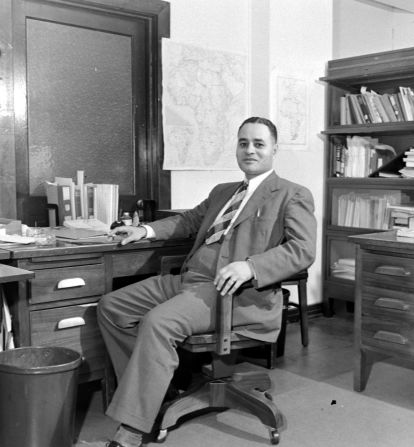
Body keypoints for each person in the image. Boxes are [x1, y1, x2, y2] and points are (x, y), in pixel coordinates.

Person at [97, 116, 317, 447]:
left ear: (275, 149)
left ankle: (131, 431)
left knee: (158, 323)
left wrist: (251, 267)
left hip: (231, 293)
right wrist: (146, 230)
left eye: (259, 144)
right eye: (243, 143)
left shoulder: (291, 194)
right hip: (188, 280)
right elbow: (187, 221)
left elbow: (302, 250)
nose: (250, 150)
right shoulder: (224, 192)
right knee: (111, 307)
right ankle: (154, 392)